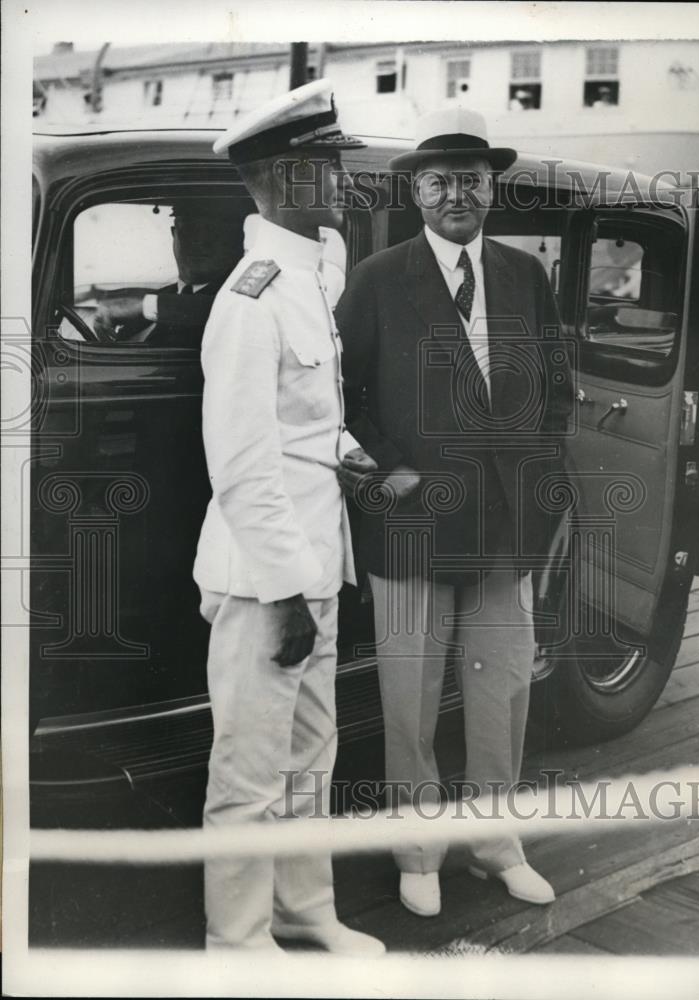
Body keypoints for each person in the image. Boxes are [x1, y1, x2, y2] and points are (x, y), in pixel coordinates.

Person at [335, 106, 573, 918]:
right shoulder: (376, 278)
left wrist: (540, 484)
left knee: (504, 687)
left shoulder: (524, 275)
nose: (457, 193)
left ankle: (496, 845)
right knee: (408, 696)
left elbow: (556, 394)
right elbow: (344, 396)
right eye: (440, 180)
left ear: (490, 186)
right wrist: (395, 471)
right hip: (409, 529)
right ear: (417, 191)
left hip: (506, 528)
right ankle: (418, 850)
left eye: (471, 178)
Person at [192, 78, 385, 957]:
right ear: (279, 177)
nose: (341, 179)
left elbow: (304, 418)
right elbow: (239, 462)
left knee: (312, 757)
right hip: (266, 573)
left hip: (318, 558)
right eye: (323, 165)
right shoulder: (252, 297)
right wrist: (286, 592)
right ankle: (237, 945)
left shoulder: (310, 275)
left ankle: (305, 913)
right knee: (249, 770)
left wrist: (350, 454)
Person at [92, 199, 246, 346]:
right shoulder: (159, 299)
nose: (200, 241)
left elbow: (227, 310)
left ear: (235, 241)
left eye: (213, 232)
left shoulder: (237, 300)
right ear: (174, 234)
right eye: (189, 230)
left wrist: (146, 306)